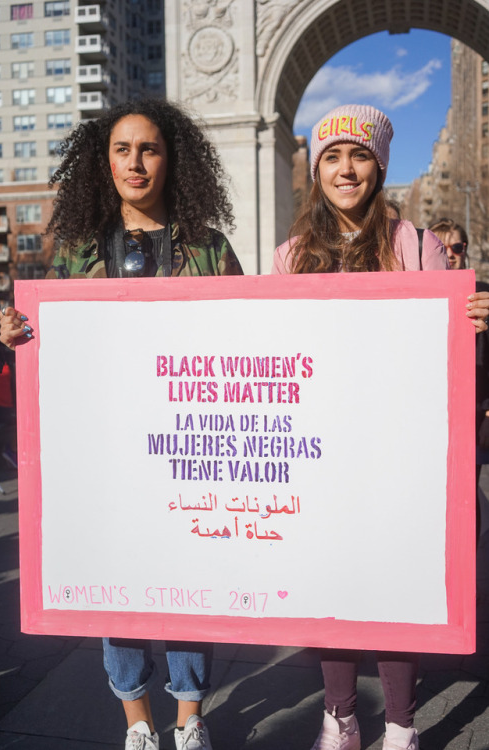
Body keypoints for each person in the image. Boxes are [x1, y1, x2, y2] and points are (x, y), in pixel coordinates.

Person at [0, 97, 243, 750]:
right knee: (121, 588)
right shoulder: (82, 252)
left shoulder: (211, 249)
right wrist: (20, 333)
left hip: (190, 445)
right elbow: (61, 351)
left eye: (150, 149)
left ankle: (191, 720)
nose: (136, 162)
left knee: (191, 584)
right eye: (122, 149)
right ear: (103, 161)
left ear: (173, 159)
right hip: (110, 456)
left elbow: (250, 334)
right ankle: (138, 725)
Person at [272, 104, 489, 750]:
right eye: (332, 156)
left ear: (379, 167)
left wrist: (477, 318)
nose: (346, 168)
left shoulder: (416, 246)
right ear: (317, 171)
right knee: (334, 586)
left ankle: (400, 723)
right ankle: (339, 716)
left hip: (399, 449)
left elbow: (451, 352)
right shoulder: (290, 256)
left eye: (359, 155)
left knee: (398, 587)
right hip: (320, 451)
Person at [429, 217, 489, 537]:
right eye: (442, 246)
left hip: (471, 413)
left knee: (467, 496)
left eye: (457, 247)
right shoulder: (419, 298)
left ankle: (468, 574)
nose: (450, 253)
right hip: (429, 412)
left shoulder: (484, 296)